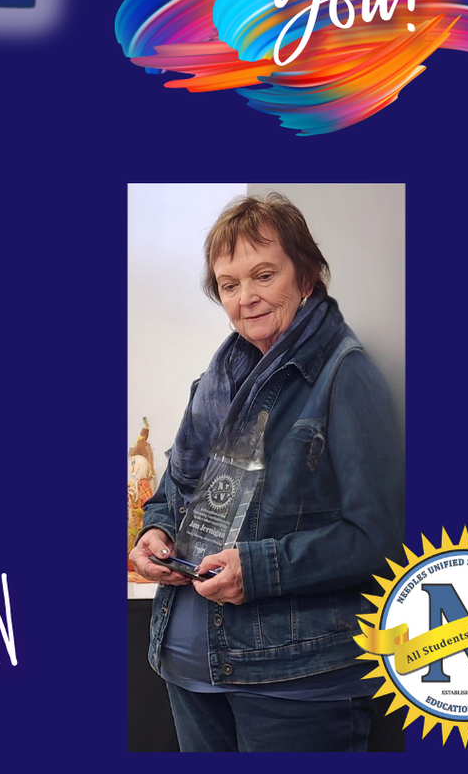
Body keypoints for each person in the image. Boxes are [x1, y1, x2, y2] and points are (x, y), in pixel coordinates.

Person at [128, 193, 403, 752]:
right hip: (189, 672)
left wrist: (257, 569)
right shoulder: (218, 379)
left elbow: (378, 539)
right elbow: (174, 492)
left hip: (293, 686)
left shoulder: (345, 378)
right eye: (229, 284)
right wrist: (153, 532)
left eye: (263, 274)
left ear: (306, 275)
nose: (246, 298)